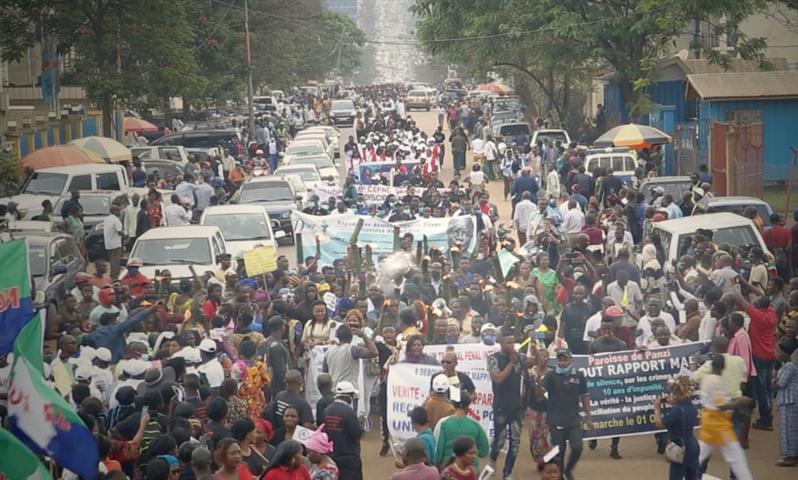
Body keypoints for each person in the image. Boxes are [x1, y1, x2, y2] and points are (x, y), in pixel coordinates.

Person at [696, 355, 754, 480]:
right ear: (723, 367)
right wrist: (740, 401)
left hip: (709, 424)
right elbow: (722, 406)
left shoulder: (706, 378)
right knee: (737, 459)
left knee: (699, 456)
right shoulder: (717, 382)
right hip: (720, 426)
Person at [536, 348, 591, 480]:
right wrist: (538, 385)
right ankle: (558, 475)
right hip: (555, 420)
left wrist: (589, 416)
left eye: (565, 359)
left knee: (577, 447)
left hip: (573, 419)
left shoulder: (578, 375)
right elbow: (540, 395)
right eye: (560, 359)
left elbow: (585, 395)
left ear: (570, 360)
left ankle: (568, 470)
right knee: (559, 451)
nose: (562, 362)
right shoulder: (551, 375)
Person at [486, 331, 527, 479]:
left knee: (515, 442)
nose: (512, 345)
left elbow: (534, 362)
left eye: (513, 342)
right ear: (501, 343)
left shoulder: (520, 357)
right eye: (508, 342)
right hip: (501, 406)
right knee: (500, 440)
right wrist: (511, 363)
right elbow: (498, 378)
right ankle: (493, 459)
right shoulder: (493, 359)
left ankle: (507, 472)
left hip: (516, 406)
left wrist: (535, 348)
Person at [654, 376, 700, 480]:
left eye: (675, 393)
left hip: (680, 447)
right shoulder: (692, 407)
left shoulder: (677, 411)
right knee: (692, 476)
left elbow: (659, 424)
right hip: (693, 444)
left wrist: (657, 408)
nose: (672, 395)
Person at [434, 391, 489, 468]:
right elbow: (484, 451)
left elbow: (438, 452)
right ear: (468, 404)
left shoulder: (443, 423)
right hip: (471, 469)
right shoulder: (476, 425)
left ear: (452, 403)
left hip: (449, 468)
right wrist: (470, 454)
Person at [322, 381, 364, 480]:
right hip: (349, 459)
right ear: (348, 396)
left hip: (332, 457)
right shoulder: (349, 412)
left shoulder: (327, 410)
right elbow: (357, 434)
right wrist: (361, 424)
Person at [774, 338, 798, 466]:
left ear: (786, 353)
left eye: (779, 352)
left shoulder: (789, 366)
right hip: (789, 400)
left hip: (789, 401)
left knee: (788, 430)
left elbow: (781, 383)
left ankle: (790, 456)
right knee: (791, 428)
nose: (776, 354)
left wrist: (774, 382)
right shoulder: (789, 365)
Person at [103, 201, 124, 279]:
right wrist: (125, 235)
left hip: (108, 244)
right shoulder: (115, 220)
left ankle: (113, 276)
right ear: (114, 211)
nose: (120, 212)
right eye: (118, 211)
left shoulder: (107, 219)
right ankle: (114, 277)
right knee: (116, 262)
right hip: (115, 244)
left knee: (112, 261)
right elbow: (119, 232)